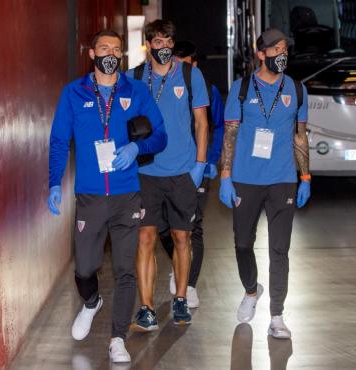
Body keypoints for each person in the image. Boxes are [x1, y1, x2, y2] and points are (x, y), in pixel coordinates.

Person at [47, 29, 166, 363]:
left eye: (116, 49)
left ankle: (117, 338)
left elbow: (160, 136)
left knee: (125, 270)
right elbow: (58, 141)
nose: (111, 54)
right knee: (85, 268)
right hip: (90, 196)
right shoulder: (73, 93)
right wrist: (54, 182)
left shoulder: (136, 91)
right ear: (92, 54)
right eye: (104, 48)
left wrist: (136, 147)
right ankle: (91, 302)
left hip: (127, 194)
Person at [219, 28, 311, 339]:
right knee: (243, 243)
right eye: (276, 51)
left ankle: (277, 316)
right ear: (261, 55)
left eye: (285, 50)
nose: (281, 56)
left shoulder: (297, 90)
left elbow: (300, 135)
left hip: (283, 180)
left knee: (279, 250)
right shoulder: (241, 88)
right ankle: (250, 289)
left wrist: (306, 177)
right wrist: (226, 176)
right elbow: (230, 133)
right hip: (245, 179)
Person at [126, 20, 210, 330]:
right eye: (157, 41)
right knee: (145, 237)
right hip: (145, 172)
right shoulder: (134, 77)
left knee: (181, 237)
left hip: (182, 171)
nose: (163, 46)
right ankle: (146, 307)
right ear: (148, 44)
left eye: (168, 40)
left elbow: (202, 123)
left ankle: (180, 299)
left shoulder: (190, 74)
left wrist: (199, 166)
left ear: (173, 43)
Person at [158, 40, 225, 308]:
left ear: (194, 65)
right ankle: (179, 263)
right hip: (164, 168)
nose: (178, 68)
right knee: (163, 225)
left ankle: (191, 284)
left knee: (193, 226)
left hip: (196, 168)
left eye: (185, 64)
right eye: (175, 62)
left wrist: (210, 160)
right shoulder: (159, 88)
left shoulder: (209, 91)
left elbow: (217, 126)